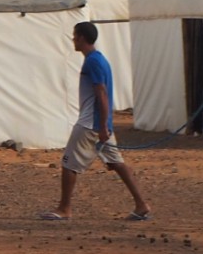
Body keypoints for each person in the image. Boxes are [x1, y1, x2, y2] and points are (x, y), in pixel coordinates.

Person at [41, 20, 152, 221]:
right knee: (116, 163)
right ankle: (141, 204)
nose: (73, 39)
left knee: (68, 164)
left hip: (90, 125)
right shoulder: (99, 59)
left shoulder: (93, 61)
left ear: (82, 37)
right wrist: (106, 125)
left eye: (75, 35)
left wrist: (101, 126)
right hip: (101, 124)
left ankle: (64, 208)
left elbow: (101, 94)